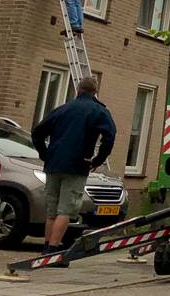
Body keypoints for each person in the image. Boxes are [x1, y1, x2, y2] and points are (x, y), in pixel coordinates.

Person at [30, 76, 116, 260]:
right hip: (77, 165)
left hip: (53, 164)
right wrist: (97, 160)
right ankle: (53, 250)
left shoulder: (62, 109)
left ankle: (46, 246)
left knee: (52, 209)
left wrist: (45, 154)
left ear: (78, 90)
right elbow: (109, 136)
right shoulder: (99, 111)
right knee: (66, 210)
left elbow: (37, 132)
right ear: (95, 92)